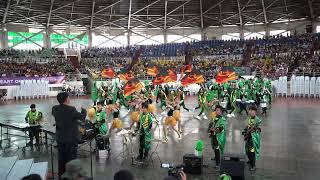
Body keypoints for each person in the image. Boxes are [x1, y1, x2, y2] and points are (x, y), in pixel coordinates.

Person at [52, 92, 87, 178]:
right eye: (68, 97)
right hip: (71, 140)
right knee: (71, 160)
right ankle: (71, 177)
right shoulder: (71, 109)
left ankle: (61, 176)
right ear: (66, 99)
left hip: (60, 139)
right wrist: (84, 110)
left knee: (61, 159)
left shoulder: (54, 108)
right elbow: (82, 117)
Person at [242, 105, 261, 171]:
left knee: (252, 151)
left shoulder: (257, 120)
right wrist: (244, 131)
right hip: (248, 138)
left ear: (255, 112)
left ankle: (253, 165)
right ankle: (250, 160)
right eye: (249, 110)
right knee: (248, 150)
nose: (250, 112)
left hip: (253, 139)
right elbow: (247, 127)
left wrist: (254, 129)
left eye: (252, 110)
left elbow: (259, 129)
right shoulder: (249, 119)